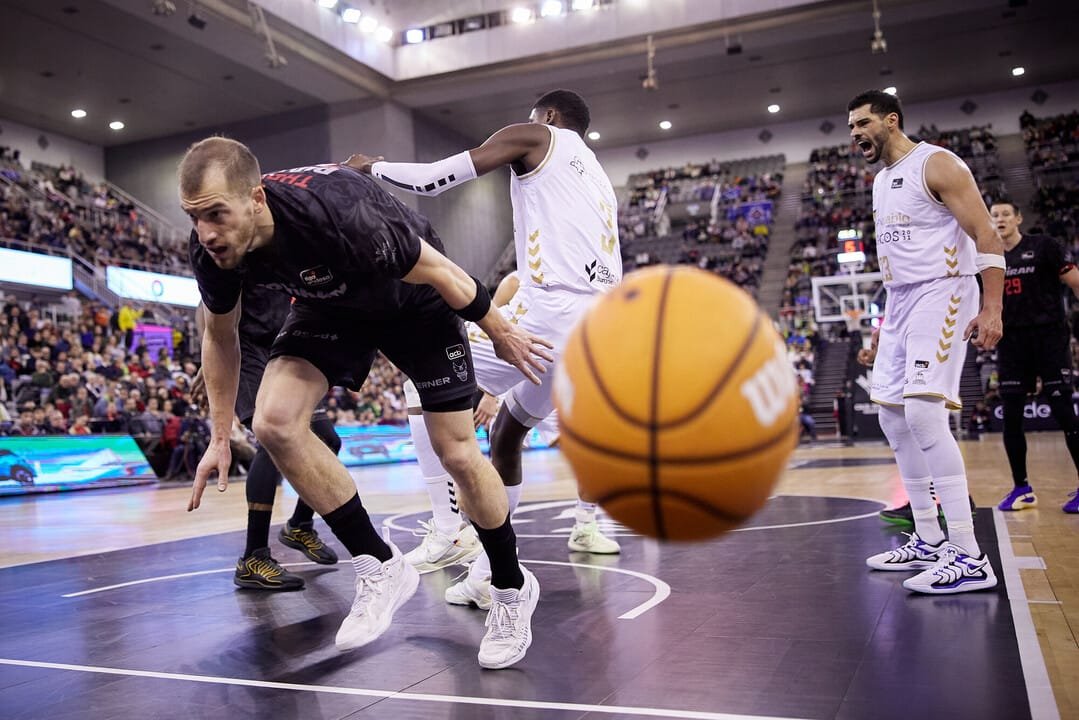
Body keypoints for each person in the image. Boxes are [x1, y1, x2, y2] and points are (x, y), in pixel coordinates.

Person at [180, 136, 552, 669]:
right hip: (331, 306)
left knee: (458, 454)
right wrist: (220, 435)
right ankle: (379, 563)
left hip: (414, 301)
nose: (206, 233)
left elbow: (444, 273)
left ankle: (512, 588)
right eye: (195, 218)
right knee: (274, 421)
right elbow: (220, 336)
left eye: (216, 213)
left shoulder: (338, 211)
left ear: (256, 199)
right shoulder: (211, 248)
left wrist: (500, 330)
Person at [347, 89, 624, 601]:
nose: (525, 124)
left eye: (532, 116)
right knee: (509, 434)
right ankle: (489, 576)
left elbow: (435, 178)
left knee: (419, 384)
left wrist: (374, 169)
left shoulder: (539, 135)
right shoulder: (597, 176)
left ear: (550, 116)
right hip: (598, 329)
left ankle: (449, 528)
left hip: (551, 313)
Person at [848, 89, 1003, 594]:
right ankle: (930, 536)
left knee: (922, 413)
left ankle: (969, 552)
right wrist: (880, 329)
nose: (856, 134)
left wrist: (992, 308)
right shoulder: (879, 182)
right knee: (891, 415)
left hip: (944, 290)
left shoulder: (936, 164)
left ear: (891, 121)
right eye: (851, 128)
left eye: (864, 123)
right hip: (901, 304)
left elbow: (986, 234)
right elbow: (895, 272)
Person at [192, 285, 341, 592]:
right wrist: (209, 358)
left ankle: (299, 526)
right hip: (244, 355)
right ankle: (253, 557)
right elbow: (206, 305)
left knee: (328, 438)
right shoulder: (240, 251)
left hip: (281, 352)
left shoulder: (291, 252)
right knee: (271, 442)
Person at [988, 200, 1079, 513]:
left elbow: (1074, 281)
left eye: (1004, 214)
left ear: (1018, 218)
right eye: (994, 215)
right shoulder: (987, 258)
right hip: (1011, 343)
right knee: (1011, 418)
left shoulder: (1043, 247)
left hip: (1049, 338)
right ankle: (1022, 488)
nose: (999, 219)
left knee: (1064, 411)